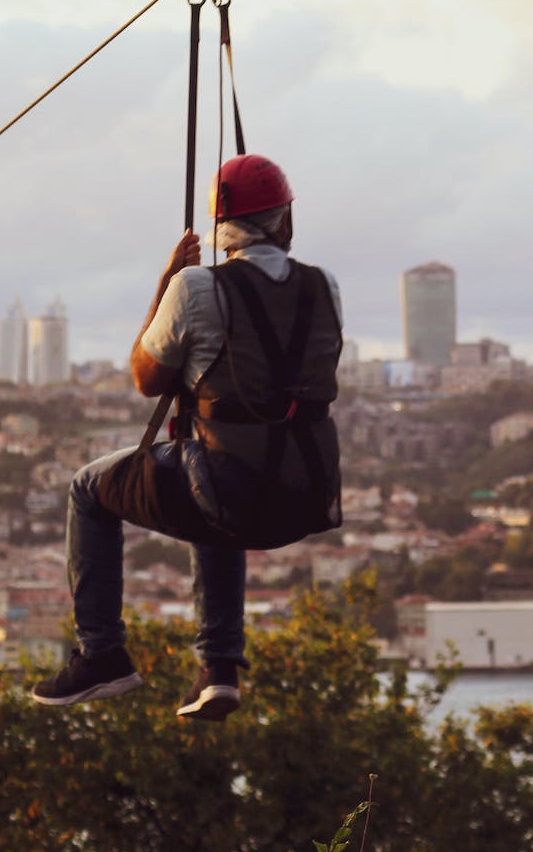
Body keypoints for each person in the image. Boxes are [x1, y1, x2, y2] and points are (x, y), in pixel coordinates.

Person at [32, 154, 343, 720]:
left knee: (88, 488)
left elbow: (145, 378)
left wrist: (169, 281)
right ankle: (219, 667)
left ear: (222, 231)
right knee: (214, 470)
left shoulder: (197, 288)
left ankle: (102, 654)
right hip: (306, 494)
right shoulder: (326, 288)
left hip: (230, 490)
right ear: (287, 222)